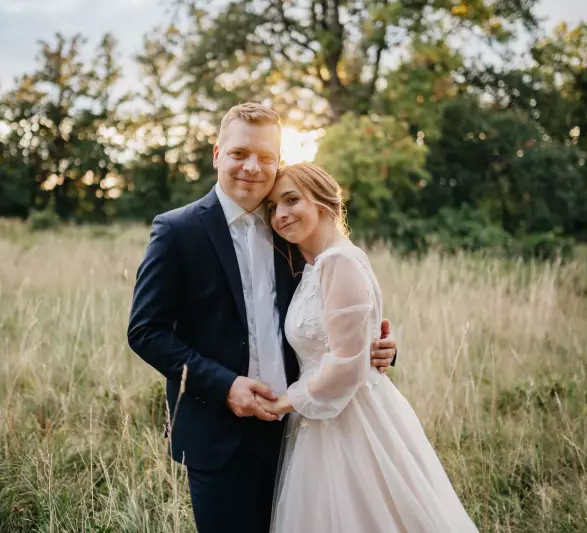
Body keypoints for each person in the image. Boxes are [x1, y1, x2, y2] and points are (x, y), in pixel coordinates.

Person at [126, 103, 398, 533]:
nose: (253, 167)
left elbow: (339, 306)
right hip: (217, 433)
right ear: (218, 154)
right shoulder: (177, 231)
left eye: (266, 158)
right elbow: (145, 331)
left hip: (302, 432)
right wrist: (225, 385)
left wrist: (376, 346)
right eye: (240, 154)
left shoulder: (291, 227)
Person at [260, 162, 480, 533]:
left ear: (324, 202)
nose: (280, 215)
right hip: (320, 416)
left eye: (291, 200)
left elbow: (347, 362)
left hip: (351, 420)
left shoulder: (339, 261)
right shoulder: (316, 264)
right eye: (272, 208)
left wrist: (285, 402)